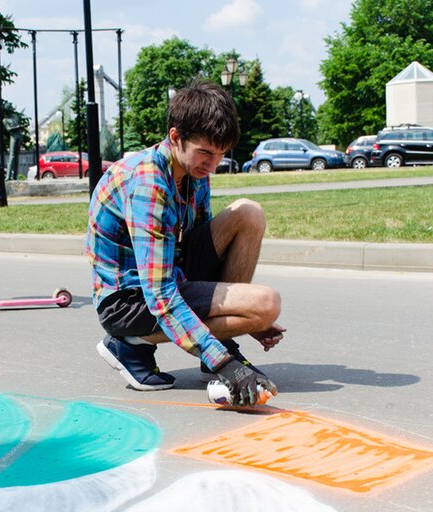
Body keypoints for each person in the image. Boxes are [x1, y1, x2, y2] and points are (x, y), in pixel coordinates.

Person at [86, 80, 286, 407]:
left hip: (169, 276)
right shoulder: (148, 184)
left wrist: (244, 315)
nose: (212, 165)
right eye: (205, 152)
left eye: (220, 155)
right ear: (176, 137)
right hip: (128, 299)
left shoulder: (195, 174)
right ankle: (127, 343)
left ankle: (215, 342)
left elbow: (200, 247)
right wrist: (226, 363)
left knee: (248, 213)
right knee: (266, 302)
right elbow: (160, 295)